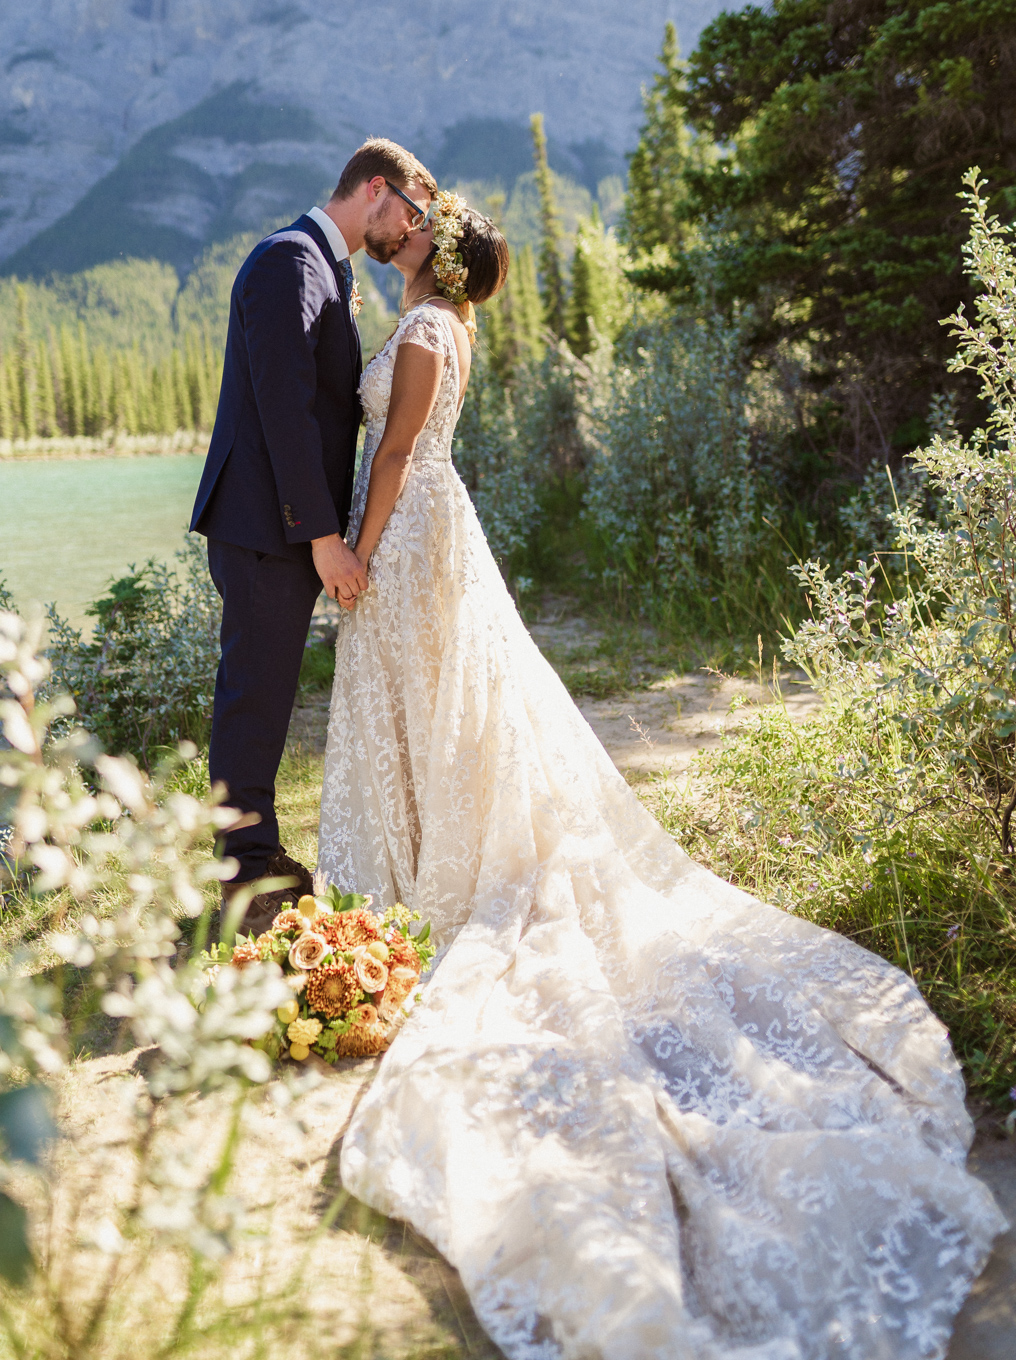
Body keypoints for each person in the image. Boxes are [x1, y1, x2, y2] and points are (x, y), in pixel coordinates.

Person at [318, 191, 1005, 1360]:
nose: (407, 239)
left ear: (441, 253)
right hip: (424, 525)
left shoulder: (431, 334)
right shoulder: (438, 322)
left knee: (437, 704)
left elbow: (396, 449)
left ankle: (438, 867)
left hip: (418, 530)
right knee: (434, 711)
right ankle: (417, 854)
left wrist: (363, 549)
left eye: (420, 232)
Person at [190, 138, 436, 934]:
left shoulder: (327, 268)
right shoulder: (289, 261)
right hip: (267, 524)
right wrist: (323, 536)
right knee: (253, 693)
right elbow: (283, 412)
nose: (411, 228)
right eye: (412, 211)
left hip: (278, 525)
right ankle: (245, 870)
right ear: (376, 189)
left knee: (264, 689)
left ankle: (253, 853)